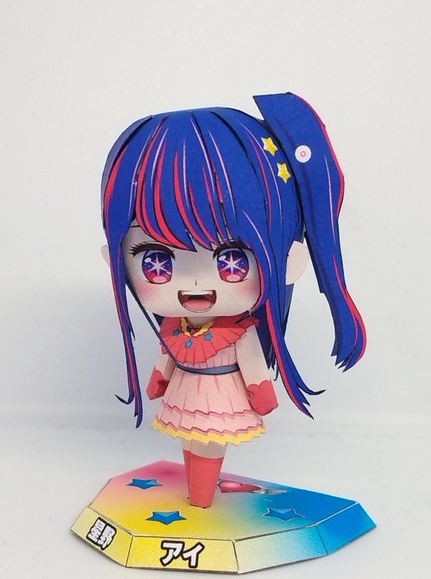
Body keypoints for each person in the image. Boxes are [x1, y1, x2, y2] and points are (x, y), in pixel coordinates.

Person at [101, 92, 366, 508]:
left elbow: (253, 367)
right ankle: (197, 492)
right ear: (115, 261)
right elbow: (167, 354)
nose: (194, 282)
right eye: (157, 261)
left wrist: (261, 391)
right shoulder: (175, 327)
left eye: (231, 261)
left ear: (288, 260)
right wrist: (159, 378)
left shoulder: (240, 334)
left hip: (219, 395)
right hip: (186, 393)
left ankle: (201, 498)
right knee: (190, 438)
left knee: (208, 442)